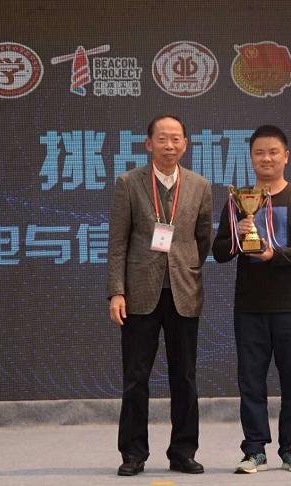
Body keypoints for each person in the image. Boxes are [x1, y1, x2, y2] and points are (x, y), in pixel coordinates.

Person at [212, 125, 291, 474]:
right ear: (251, 158)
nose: (266, 158)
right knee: (250, 382)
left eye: (273, 152)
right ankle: (254, 449)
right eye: (259, 152)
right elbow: (219, 252)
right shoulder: (238, 200)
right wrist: (237, 237)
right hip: (249, 307)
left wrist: (274, 255)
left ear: (286, 156)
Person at [107, 115, 212, 476]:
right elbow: (118, 243)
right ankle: (133, 453)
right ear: (149, 143)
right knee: (136, 376)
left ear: (185, 144)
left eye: (176, 139)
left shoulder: (199, 185)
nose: (170, 145)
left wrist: (186, 266)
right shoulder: (129, 183)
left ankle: (183, 451)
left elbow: (202, 239)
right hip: (139, 294)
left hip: (184, 291)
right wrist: (117, 292)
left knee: (185, 376)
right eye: (163, 139)